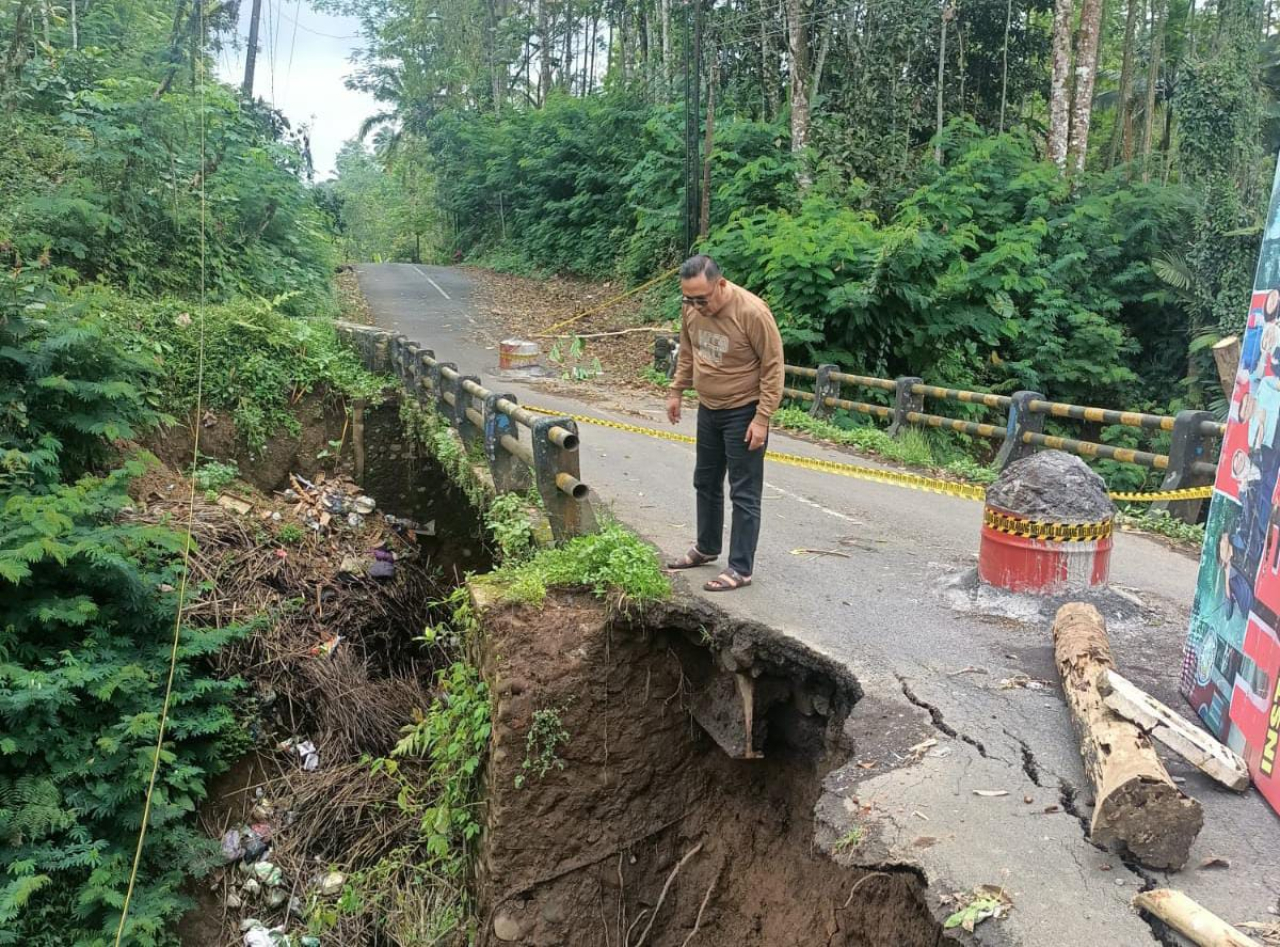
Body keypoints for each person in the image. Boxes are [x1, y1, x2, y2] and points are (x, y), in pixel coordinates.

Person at [664, 254, 784, 592]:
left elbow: (773, 368)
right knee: (705, 480)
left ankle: (740, 568)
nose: (695, 306)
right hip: (709, 407)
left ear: (721, 284)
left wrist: (762, 418)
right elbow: (687, 352)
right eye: (689, 298)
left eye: (701, 298)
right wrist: (677, 391)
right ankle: (706, 546)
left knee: (743, 491)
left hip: (743, 411)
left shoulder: (752, 312)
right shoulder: (691, 310)